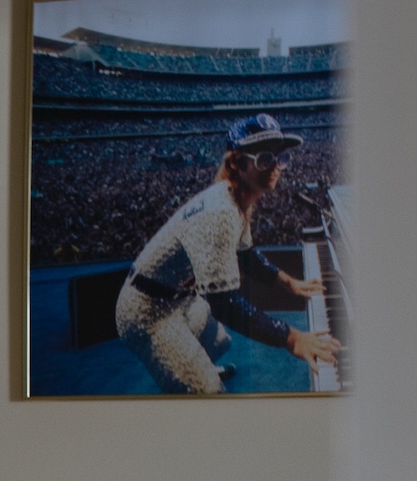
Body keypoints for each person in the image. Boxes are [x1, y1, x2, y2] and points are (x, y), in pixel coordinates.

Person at [114, 113, 341, 395]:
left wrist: (287, 282)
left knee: (220, 342)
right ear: (237, 163)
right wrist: (291, 337)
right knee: (210, 394)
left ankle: (194, 367)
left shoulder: (237, 197)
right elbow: (225, 304)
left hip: (178, 298)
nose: (276, 167)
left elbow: (246, 255)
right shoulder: (220, 212)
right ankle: (192, 380)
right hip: (146, 310)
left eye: (280, 158)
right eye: (265, 159)